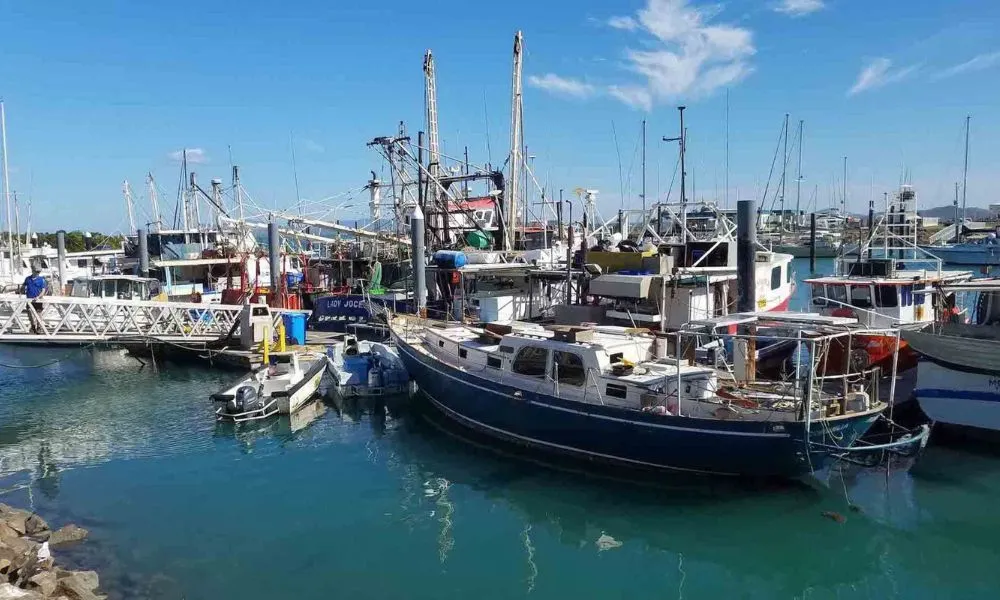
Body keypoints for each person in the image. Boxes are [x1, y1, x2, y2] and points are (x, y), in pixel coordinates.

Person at [22, 266, 47, 334]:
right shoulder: (28, 279)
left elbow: (43, 290)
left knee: (38, 313)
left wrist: (38, 297)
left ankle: (39, 327)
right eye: (37, 271)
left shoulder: (41, 279)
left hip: (38, 300)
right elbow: (23, 287)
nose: (38, 273)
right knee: (29, 313)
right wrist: (21, 292)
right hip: (29, 299)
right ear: (33, 271)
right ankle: (33, 326)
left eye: (39, 272)